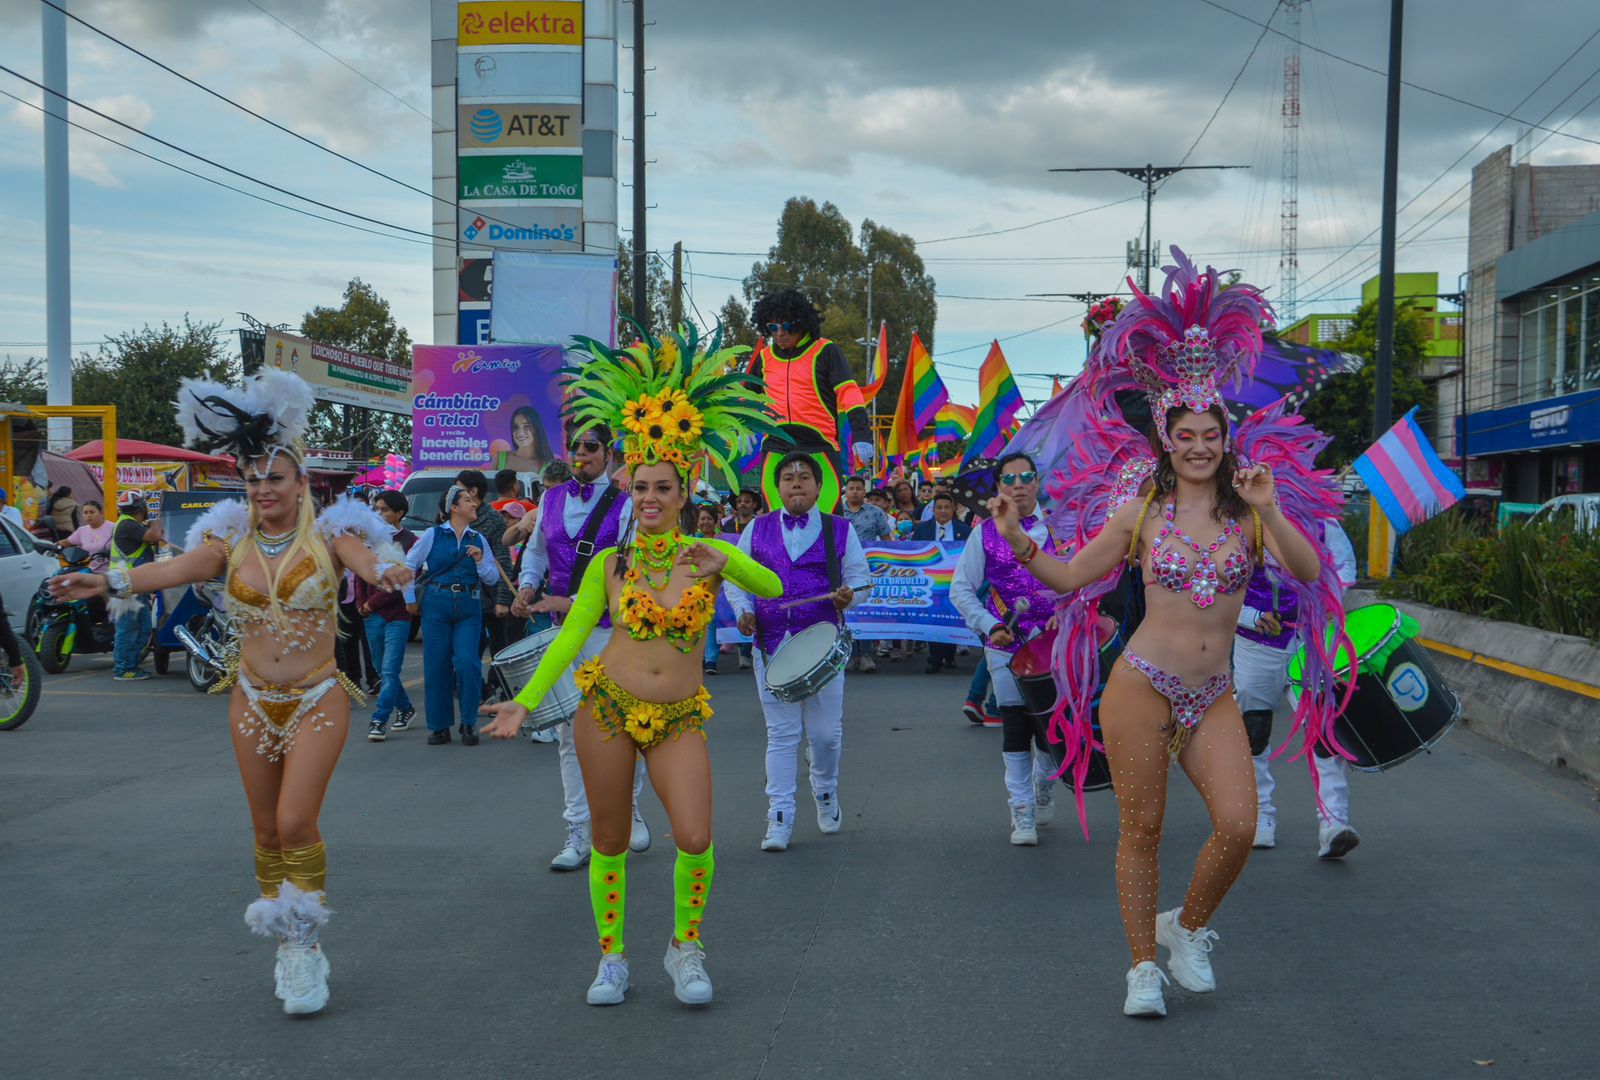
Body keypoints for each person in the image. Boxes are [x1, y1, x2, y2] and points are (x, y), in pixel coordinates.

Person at [994, 248, 1350, 1018]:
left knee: (1237, 822)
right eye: (1185, 433)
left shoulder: (1251, 509)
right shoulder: (1141, 510)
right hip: (1141, 688)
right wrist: (1021, 541)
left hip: (1213, 692)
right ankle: (1140, 970)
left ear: (1227, 437)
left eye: (1210, 434)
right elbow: (1068, 579)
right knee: (1144, 829)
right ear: (1166, 435)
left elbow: (1310, 573)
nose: (1198, 445)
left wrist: (1271, 508)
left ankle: (1186, 930)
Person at [53, 369, 412, 1016]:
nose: (263, 489)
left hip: (316, 697)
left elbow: (369, 564)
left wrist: (388, 568)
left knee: (297, 820)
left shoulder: (332, 536)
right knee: (264, 828)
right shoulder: (229, 541)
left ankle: (305, 947)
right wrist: (108, 583)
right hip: (250, 698)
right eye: (253, 480)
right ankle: (282, 940)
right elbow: (174, 568)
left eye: (275, 478)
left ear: (301, 483)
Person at [479, 323, 783, 1008]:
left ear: (684, 494)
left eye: (663, 489)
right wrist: (526, 700)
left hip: (679, 716)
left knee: (696, 836)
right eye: (640, 487)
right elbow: (571, 636)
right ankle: (612, 957)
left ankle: (685, 948)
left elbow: (771, 588)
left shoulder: (708, 557)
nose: (649, 498)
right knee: (611, 840)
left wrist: (724, 558)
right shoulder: (610, 564)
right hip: (607, 711)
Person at [513, 424, 652, 870]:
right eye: (574, 446)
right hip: (562, 631)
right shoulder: (550, 499)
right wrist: (528, 584)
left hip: (613, 631)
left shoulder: (626, 505)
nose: (581, 453)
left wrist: (575, 600)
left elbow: (633, 569)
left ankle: (627, 809)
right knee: (569, 736)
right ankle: (578, 831)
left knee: (624, 727)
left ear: (608, 454)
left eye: (590, 446)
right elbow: (536, 553)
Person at [725, 453, 870, 852]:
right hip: (770, 645)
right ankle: (779, 817)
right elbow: (734, 578)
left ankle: (825, 792)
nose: (796, 483)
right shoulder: (756, 528)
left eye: (804, 477)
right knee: (782, 735)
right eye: (788, 478)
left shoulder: (839, 529)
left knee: (825, 735)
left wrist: (848, 597)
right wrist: (743, 611)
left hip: (823, 646)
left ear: (819, 487)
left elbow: (861, 581)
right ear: (777, 488)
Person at [949, 453, 1067, 845]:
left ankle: (1043, 783)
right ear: (998, 486)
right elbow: (961, 589)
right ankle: (1021, 810)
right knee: (1015, 726)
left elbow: (1083, 581)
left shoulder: (1062, 528)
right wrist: (990, 625)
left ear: (1037, 482)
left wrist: (1066, 614)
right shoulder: (983, 533)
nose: (1018, 484)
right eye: (1009, 478)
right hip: (1007, 646)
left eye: (1026, 476)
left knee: (1050, 728)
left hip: (1055, 645)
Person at [1237, 521, 1360, 857]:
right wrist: (1251, 617)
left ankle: (1334, 820)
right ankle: (1260, 815)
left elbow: (1345, 567)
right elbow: (1216, 584)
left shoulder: (1322, 522)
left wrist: (1326, 602)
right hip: (1255, 644)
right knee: (1254, 727)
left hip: (1311, 639)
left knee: (1322, 728)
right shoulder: (1236, 521)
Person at [747, 289, 874, 511]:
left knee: (828, 520)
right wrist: (742, 425)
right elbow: (748, 395)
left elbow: (849, 393)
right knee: (775, 520)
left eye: (786, 327)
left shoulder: (825, 350)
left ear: (801, 323)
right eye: (772, 328)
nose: (779, 334)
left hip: (819, 444)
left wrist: (862, 435)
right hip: (776, 444)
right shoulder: (765, 357)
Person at [404, 484, 499, 745]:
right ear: (453, 508)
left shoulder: (478, 539)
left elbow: (491, 578)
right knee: (437, 666)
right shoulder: (432, 535)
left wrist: (480, 560)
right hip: (436, 602)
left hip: (469, 604)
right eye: (467, 500)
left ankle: (468, 723)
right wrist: (409, 598)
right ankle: (439, 726)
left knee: (468, 663)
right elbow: (409, 564)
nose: (474, 504)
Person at [357, 491, 418, 741]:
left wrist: (371, 603)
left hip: (398, 614)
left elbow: (404, 580)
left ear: (399, 513)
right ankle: (405, 708)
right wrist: (362, 603)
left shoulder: (411, 541)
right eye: (377, 509)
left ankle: (379, 719)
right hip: (371, 615)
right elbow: (361, 573)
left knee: (390, 670)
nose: (379, 514)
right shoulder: (369, 539)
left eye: (384, 510)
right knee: (381, 668)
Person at [839, 475, 892, 673]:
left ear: (864, 492)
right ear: (846, 491)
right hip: (843, 566)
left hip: (869, 568)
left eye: (858, 488)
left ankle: (867, 654)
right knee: (848, 609)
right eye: (851, 488)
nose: (854, 492)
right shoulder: (837, 512)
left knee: (866, 609)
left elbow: (887, 540)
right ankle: (850, 654)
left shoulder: (876, 513)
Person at [108, 491, 163, 681]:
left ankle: (131, 663)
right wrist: (157, 516)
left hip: (133, 584)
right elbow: (155, 535)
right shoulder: (127, 524)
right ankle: (123, 668)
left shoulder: (130, 524)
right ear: (140, 508)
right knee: (127, 628)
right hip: (125, 584)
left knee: (144, 628)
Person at [913, 493, 970, 673]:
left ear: (953, 509)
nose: (943, 511)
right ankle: (934, 659)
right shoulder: (923, 530)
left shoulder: (965, 530)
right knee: (934, 617)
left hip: (956, 580)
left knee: (953, 616)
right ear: (933, 510)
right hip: (932, 581)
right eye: (939, 507)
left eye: (947, 507)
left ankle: (950, 654)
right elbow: (915, 552)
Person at [693, 506, 723, 676]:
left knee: (710, 623)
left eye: (708, 519)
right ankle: (700, 657)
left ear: (715, 522)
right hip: (694, 588)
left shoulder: (722, 541)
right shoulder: (690, 541)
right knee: (696, 624)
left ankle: (711, 659)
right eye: (702, 519)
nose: (705, 522)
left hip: (715, 587)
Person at [497, 405, 556, 476]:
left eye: (527, 426)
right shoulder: (500, 458)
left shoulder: (548, 465)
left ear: (536, 429)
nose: (520, 433)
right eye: (516, 427)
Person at [63, 499, 114, 573]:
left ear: (101, 513)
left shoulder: (114, 528)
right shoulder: (82, 530)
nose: (88, 515)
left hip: (110, 572)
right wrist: (51, 545)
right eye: (85, 513)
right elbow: (66, 542)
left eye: (92, 512)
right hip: (88, 571)